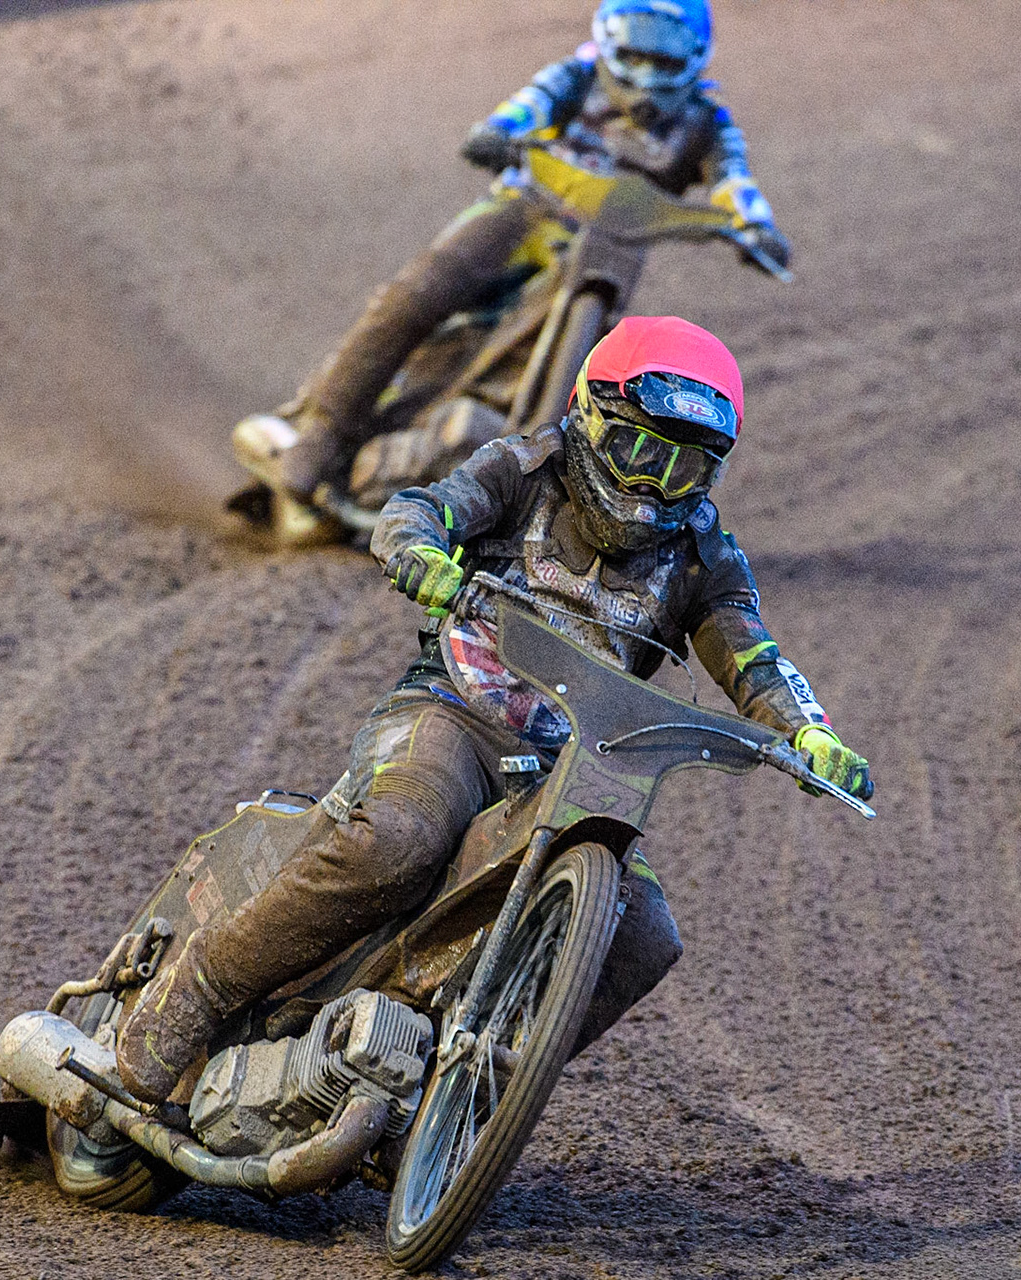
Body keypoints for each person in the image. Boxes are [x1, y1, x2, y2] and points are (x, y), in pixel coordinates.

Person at [118, 316, 872, 1104]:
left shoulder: (704, 558)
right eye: (639, 451)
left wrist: (809, 732)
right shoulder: (523, 469)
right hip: (451, 708)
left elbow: (754, 658)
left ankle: (460, 1107)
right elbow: (420, 510)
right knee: (402, 835)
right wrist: (420, 554)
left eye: (683, 469)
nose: (653, 487)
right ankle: (195, 992)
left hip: (575, 763)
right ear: (590, 419)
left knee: (645, 934)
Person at [250, 0, 793, 515]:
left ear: (695, 56)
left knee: (611, 375)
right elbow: (528, 105)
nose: (647, 73)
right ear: (609, 39)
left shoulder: (707, 123)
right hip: (526, 212)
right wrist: (499, 132)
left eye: (664, 57)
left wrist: (756, 228)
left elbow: (735, 181)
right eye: (636, 51)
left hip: (610, 249)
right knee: (421, 291)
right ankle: (323, 431)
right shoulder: (577, 77)